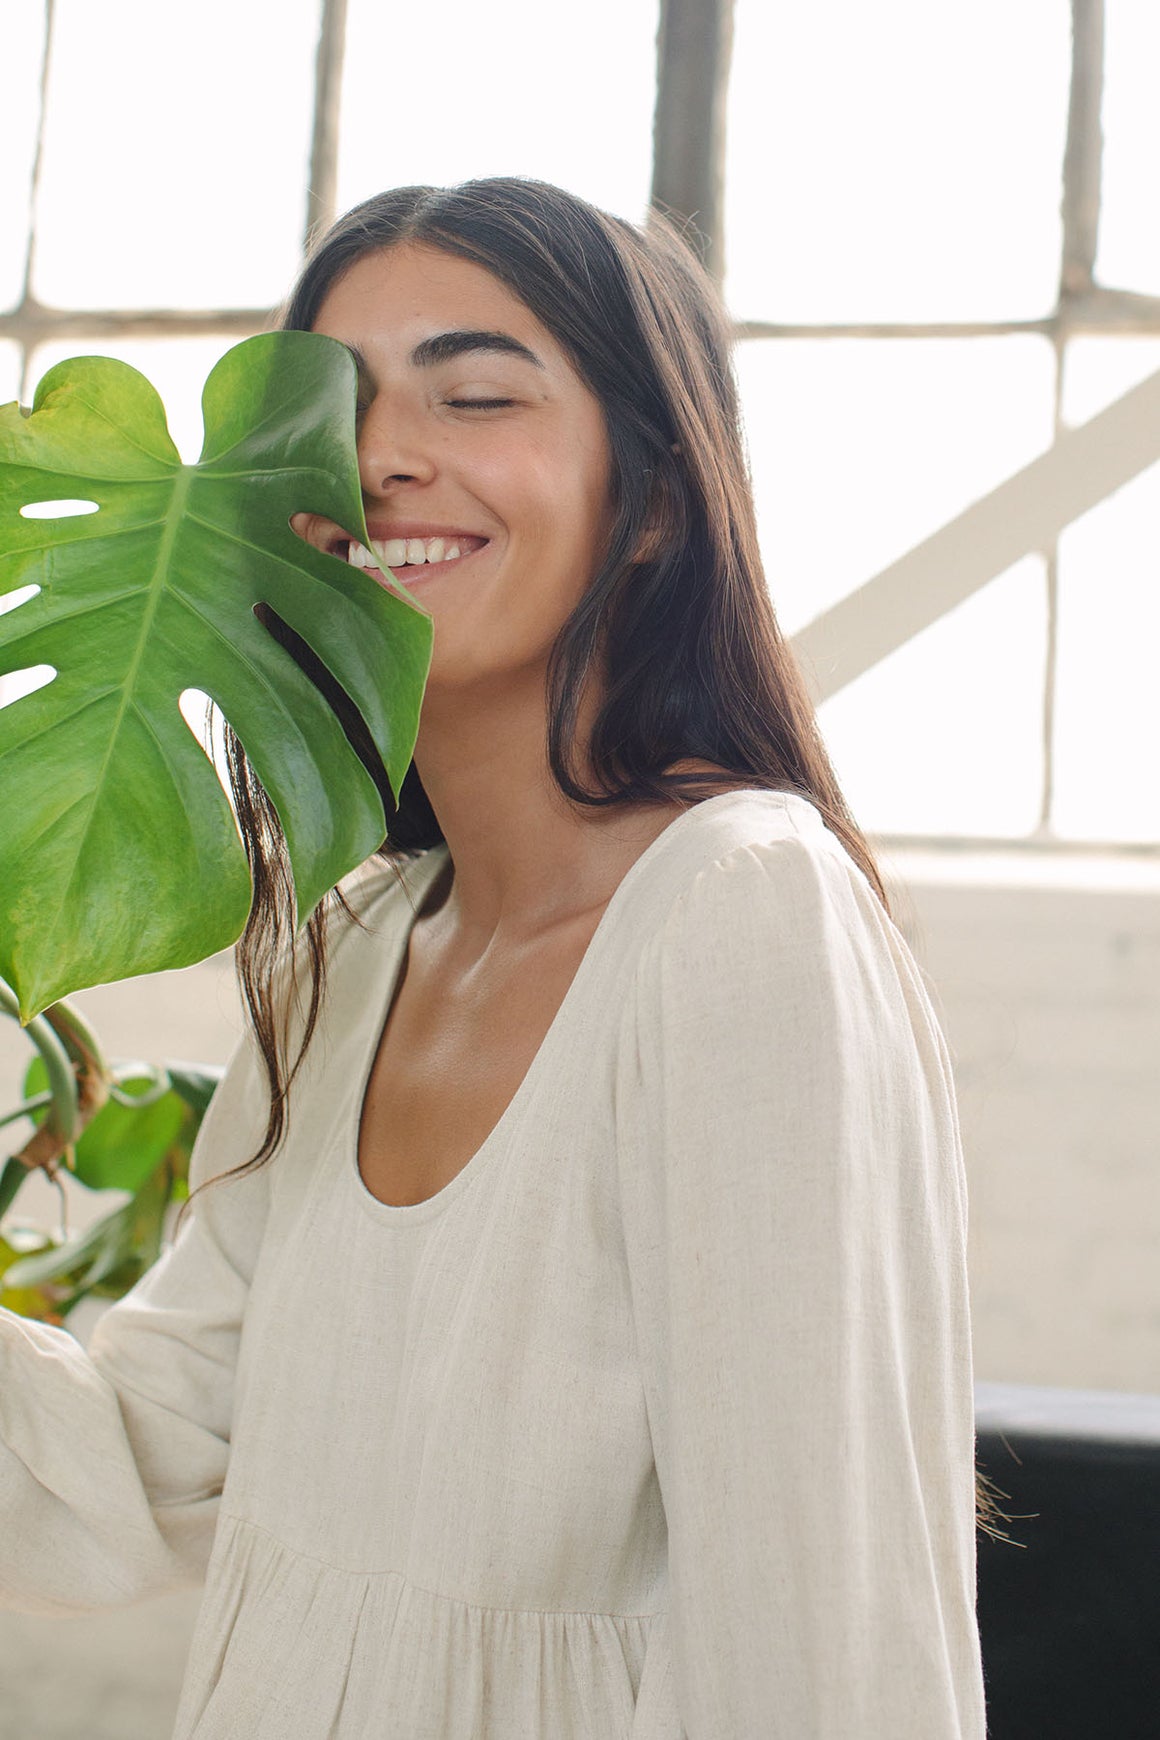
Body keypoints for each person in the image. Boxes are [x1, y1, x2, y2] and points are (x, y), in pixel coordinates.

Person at [0, 178, 986, 1737]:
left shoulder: (739, 917)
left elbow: (826, 1645)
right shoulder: (351, 949)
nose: (385, 455)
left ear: (656, 497)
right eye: (326, 411)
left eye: (475, 394)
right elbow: (137, 1460)